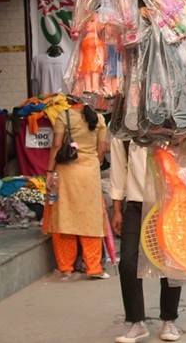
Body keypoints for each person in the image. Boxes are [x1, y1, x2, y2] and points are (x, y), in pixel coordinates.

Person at [109, 139, 182, 343]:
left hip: (169, 203)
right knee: (128, 262)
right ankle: (136, 322)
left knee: (170, 262)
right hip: (135, 205)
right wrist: (117, 210)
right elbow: (118, 172)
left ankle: (169, 319)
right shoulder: (123, 132)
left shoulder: (172, 127)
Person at [43, 103, 109, 280]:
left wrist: (49, 172)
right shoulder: (99, 118)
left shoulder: (64, 116)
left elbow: (57, 145)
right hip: (90, 173)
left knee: (65, 217)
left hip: (67, 172)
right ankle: (94, 267)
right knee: (91, 220)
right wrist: (92, 165)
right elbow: (101, 150)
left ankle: (66, 267)